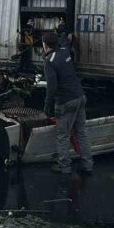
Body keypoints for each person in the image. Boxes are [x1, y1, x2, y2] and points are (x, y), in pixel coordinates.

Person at [42, 31, 93, 174]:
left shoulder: (49, 61)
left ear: (44, 45)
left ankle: (64, 167)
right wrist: (62, 30)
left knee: (63, 135)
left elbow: (51, 87)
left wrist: (47, 106)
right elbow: (66, 41)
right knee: (81, 132)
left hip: (66, 102)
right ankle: (87, 165)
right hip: (80, 97)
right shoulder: (65, 52)